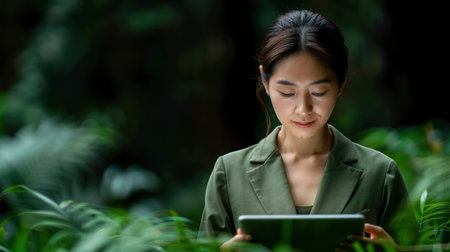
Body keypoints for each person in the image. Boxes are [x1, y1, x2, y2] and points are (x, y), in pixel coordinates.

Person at [198, 9, 418, 251]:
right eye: (287, 92)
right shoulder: (229, 174)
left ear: (340, 84)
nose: (303, 109)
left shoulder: (380, 174)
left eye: (319, 92)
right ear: (265, 82)